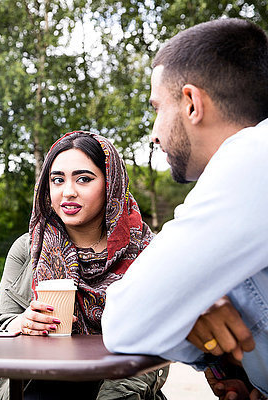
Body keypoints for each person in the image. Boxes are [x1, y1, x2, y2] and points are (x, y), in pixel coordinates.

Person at [101, 18, 268, 398]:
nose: (154, 132)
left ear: (192, 103)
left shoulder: (251, 158)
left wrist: (179, 307)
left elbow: (126, 321)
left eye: (158, 107)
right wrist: (196, 306)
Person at [0, 131, 168, 400]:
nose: (68, 192)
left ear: (111, 183)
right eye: (57, 180)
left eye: (84, 179)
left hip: (120, 391)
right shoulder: (28, 248)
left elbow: (161, 342)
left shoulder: (146, 250)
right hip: (33, 387)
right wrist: (22, 322)